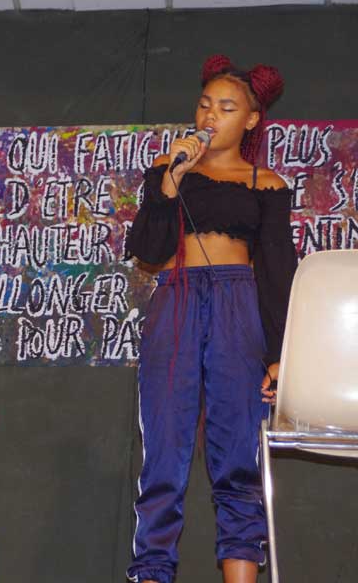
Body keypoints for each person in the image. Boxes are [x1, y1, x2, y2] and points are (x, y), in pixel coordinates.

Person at [124, 55, 296, 583]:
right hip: (175, 298)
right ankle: (151, 572)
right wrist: (170, 179)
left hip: (237, 303)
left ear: (249, 120)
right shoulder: (168, 171)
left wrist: (278, 356)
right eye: (204, 104)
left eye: (226, 107)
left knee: (237, 455)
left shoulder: (264, 181)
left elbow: (276, 271)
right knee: (164, 456)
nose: (210, 115)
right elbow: (147, 250)